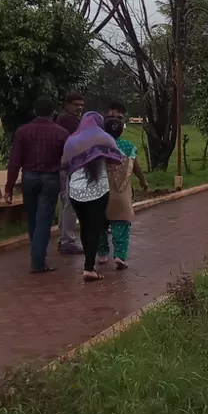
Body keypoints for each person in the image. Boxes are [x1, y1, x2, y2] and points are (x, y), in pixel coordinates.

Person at [5, 96, 70, 273]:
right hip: (50, 178)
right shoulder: (61, 133)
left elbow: (14, 161)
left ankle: (37, 256)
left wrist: (9, 187)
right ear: (53, 113)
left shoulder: (23, 132)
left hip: (29, 177)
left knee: (33, 218)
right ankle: (38, 261)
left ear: (35, 112)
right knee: (44, 219)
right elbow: (68, 160)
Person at [60, 111, 122, 282]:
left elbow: (64, 163)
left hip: (76, 190)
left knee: (85, 227)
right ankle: (88, 268)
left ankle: (89, 265)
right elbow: (116, 158)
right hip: (99, 190)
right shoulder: (104, 137)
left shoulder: (73, 140)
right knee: (95, 228)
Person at [99, 103, 149, 270]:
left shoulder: (97, 146)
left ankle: (102, 253)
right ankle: (120, 255)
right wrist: (143, 181)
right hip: (121, 193)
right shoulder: (128, 147)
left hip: (99, 192)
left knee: (100, 224)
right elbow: (136, 168)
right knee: (121, 224)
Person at [55, 92, 86, 254]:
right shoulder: (68, 120)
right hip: (68, 165)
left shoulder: (68, 119)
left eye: (81, 105)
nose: (79, 108)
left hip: (66, 164)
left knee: (66, 201)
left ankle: (64, 238)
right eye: (76, 104)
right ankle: (67, 240)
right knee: (70, 202)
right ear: (67, 104)